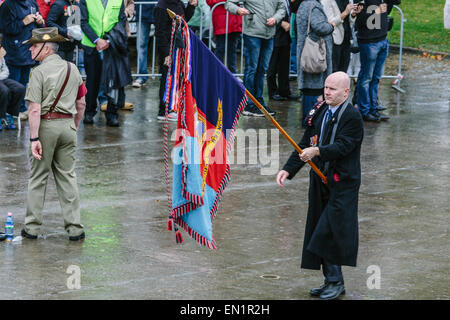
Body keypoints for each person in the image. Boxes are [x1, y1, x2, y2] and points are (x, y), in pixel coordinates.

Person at [276, 71, 363, 300]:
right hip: (319, 180)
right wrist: (289, 168)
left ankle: (336, 282)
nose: (327, 92)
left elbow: (344, 146)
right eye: (326, 87)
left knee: (330, 231)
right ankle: (329, 280)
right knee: (318, 228)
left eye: (332, 89)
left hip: (342, 182)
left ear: (346, 92)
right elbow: (305, 143)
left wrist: (319, 151)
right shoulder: (321, 110)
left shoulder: (352, 117)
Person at [21, 27, 86, 241]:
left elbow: (34, 109)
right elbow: (81, 103)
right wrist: (73, 126)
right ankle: (75, 228)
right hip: (67, 126)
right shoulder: (72, 68)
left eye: (35, 45)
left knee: (38, 177)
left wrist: (34, 138)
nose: (31, 49)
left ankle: (31, 228)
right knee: (67, 177)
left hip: (46, 127)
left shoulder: (38, 73)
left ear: (47, 49)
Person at [225, 0, 285, 117]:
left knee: (262, 69)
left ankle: (259, 103)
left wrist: (276, 18)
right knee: (252, 69)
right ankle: (248, 104)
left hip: (269, 35)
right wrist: (238, 10)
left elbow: (282, 7)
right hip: (252, 34)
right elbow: (229, 3)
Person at [80, 0, 128, 127]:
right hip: (92, 47)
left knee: (112, 82)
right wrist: (97, 40)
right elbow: (83, 22)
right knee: (92, 82)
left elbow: (121, 20)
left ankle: (112, 114)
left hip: (111, 46)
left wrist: (109, 40)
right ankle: (89, 112)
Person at [354, 0, 400, 122]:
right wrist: (376, 12)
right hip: (368, 41)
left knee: (376, 78)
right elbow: (359, 20)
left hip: (383, 39)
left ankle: (373, 109)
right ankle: (364, 111)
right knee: (366, 78)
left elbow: (396, 3)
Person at [0, 0, 46, 120]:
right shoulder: (7, 5)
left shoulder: (32, 3)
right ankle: (6, 113)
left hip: (28, 51)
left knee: (23, 83)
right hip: (13, 52)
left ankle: (20, 109)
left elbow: (38, 26)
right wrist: (23, 22)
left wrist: (40, 22)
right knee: (12, 85)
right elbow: (5, 28)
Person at [154, 0, 198, 122]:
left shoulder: (178, 3)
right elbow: (160, 32)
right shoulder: (161, 6)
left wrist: (191, 6)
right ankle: (163, 110)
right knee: (167, 78)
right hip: (168, 49)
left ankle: (172, 107)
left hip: (178, 47)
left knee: (176, 78)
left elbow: (183, 22)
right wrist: (166, 54)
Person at [296, 0, 334, 126]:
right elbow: (319, 26)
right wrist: (331, 26)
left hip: (307, 53)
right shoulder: (313, 6)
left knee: (309, 89)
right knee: (313, 89)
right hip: (314, 55)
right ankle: (310, 122)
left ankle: (308, 120)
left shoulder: (304, 4)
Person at [267, 0, 298, 102]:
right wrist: (280, 23)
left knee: (284, 66)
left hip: (285, 35)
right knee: (273, 66)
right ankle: (272, 92)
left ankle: (284, 91)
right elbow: (267, 12)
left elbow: (292, 9)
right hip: (274, 34)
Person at [206, 0, 242, 74]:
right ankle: (217, 72)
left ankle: (233, 74)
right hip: (222, 21)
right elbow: (209, 1)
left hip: (234, 21)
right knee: (220, 48)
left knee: (232, 49)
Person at [321, 0, 356, 73]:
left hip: (346, 39)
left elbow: (350, 22)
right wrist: (345, 12)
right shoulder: (326, 1)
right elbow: (330, 22)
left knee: (343, 72)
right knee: (334, 72)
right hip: (334, 40)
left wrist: (353, 14)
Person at [0, 37, 25, 130]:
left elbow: (5, 69)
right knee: (4, 90)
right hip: (1, 79)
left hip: (2, 78)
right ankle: (1, 116)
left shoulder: (1, 52)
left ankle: (9, 114)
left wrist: (1, 76)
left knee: (20, 88)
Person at [132, 1, 156, 88]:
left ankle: (165, 76)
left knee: (163, 44)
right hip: (142, 11)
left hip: (159, 10)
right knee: (141, 45)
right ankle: (141, 76)